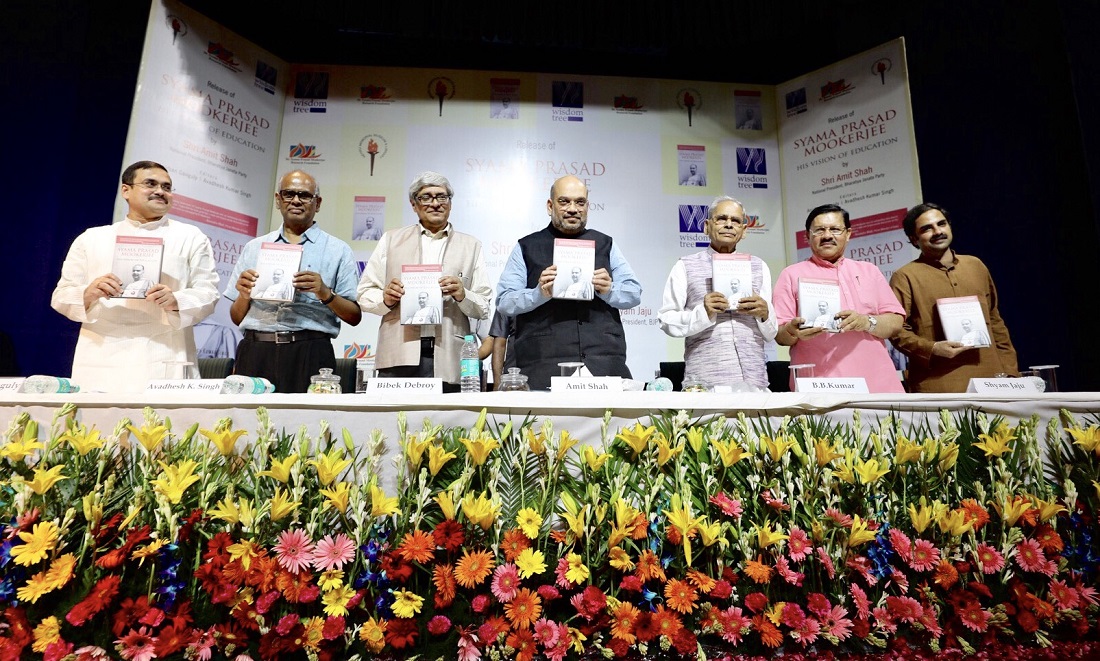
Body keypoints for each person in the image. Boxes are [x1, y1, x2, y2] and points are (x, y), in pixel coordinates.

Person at [51, 160, 219, 392]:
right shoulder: (91, 238)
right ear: (126, 190)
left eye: (167, 187)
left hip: (164, 353)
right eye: (151, 184)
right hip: (100, 357)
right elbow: (61, 296)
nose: (160, 191)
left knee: (161, 427)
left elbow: (208, 293)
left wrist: (176, 300)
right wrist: (88, 293)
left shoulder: (190, 236)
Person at [498, 175, 642, 389]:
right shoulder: (527, 246)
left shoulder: (605, 244)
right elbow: (504, 301)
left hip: (604, 366)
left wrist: (610, 290)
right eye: (564, 201)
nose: (573, 208)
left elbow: (634, 293)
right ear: (550, 205)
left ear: (587, 206)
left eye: (580, 202)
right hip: (543, 365)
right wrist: (538, 294)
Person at [225, 170, 362, 393]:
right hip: (256, 349)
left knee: (308, 426)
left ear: (317, 203)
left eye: (304, 195)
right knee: (248, 425)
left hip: (310, 351)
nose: (296, 200)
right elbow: (236, 317)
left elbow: (354, 316)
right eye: (289, 194)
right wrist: (244, 294)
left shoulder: (337, 250)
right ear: (278, 200)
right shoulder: (254, 248)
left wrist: (326, 293)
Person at [357, 171, 491, 392]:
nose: (435, 203)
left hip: (450, 356)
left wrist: (462, 294)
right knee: (393, 424)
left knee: (447, 425)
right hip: (398, 354)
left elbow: (484, 305)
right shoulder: (390, 240)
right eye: (426, 197)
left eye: (442, 197)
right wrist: (386, 298)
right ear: (414, 204)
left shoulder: (471, 245)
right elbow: (364, 294)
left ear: (450, 203)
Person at [773, 203, 905, 393]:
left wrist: (865, 321)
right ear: (807, 236)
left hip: (877, 383)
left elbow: (895, 322)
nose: (827, 236)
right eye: (819, 230)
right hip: (820, 384)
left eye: (835, 229)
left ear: (848, 234)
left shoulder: (869, 271)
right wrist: (793, 331)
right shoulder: (791, 274)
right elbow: (780, 335)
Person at [890, 203, 1018, 391]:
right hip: (939, 383)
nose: (937, 231)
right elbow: (896, 331)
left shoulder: (975, 265)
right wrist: (932, 348)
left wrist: (1010, 370)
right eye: (927, 229)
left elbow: (994, 320)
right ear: (913, 239)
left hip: (992, 378)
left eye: (941, 224)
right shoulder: (905, 276)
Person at [658, 196, 776, 389]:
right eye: (721, 219)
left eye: (736, 221)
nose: (729, 225)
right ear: (706, 226)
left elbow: (771, 333)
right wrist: (703, 313)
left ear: (744, 231)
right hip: (705, 383)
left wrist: (765, 314)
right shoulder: (685, 266)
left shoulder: (759, 266)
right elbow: (666, 320)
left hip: (754, 382)